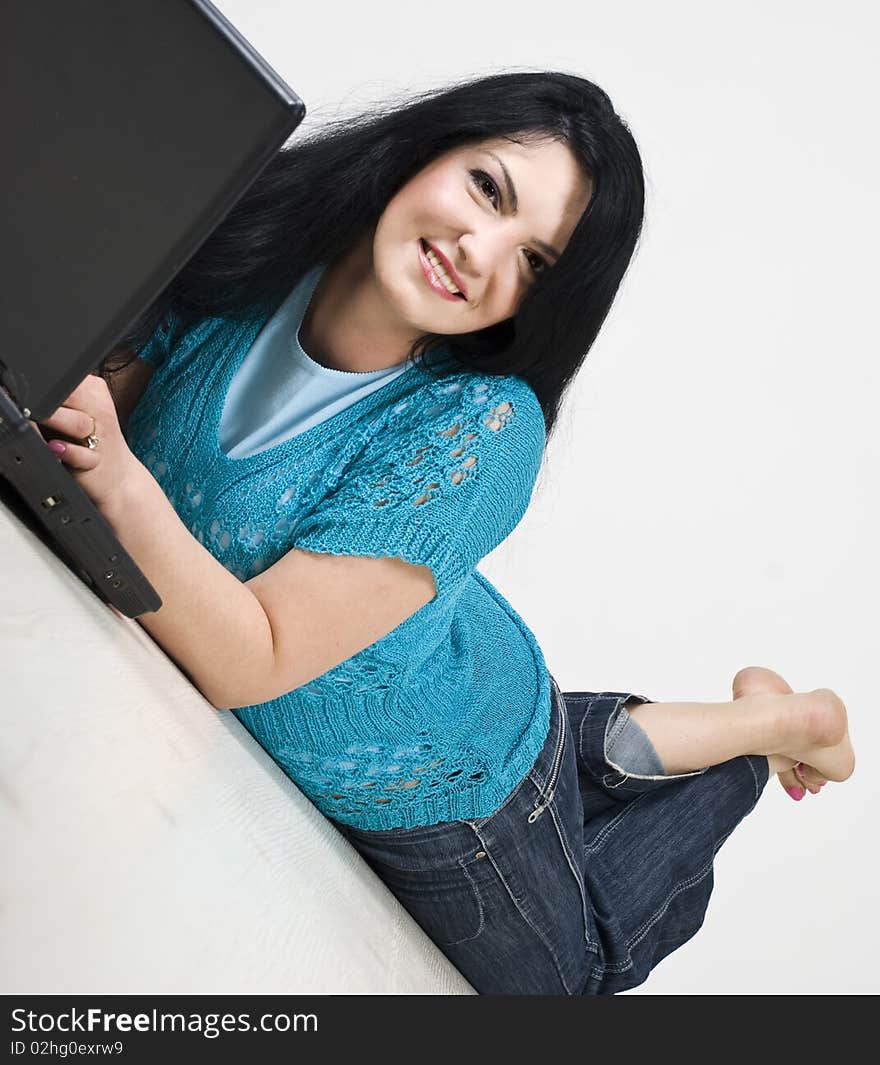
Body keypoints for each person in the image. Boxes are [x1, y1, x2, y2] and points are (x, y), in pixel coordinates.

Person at [32, 71, 855, 995]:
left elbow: (248, 658)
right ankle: (719, 723)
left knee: (574, 974)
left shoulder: (485, 429)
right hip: (428, 664)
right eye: (487, 188)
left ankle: (765, 739)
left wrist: (111, 469)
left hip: (440, 793)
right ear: (423, 148)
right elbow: (106, 400)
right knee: (550, 771)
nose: (481, 249)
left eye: (534, 262)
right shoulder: (255, 246)